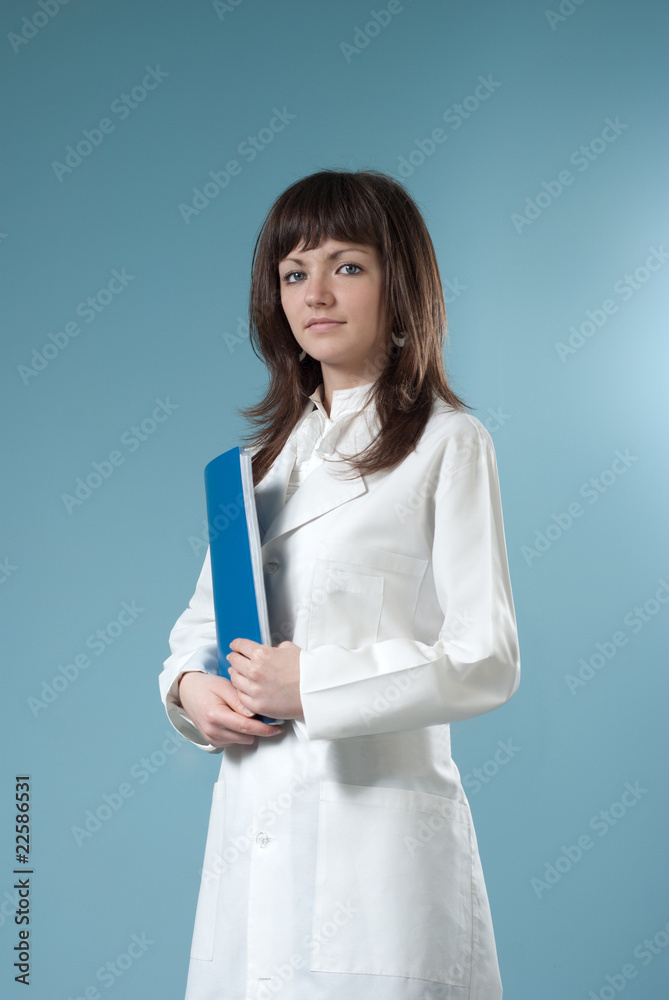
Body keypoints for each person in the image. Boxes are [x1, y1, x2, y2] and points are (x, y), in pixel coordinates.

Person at [159, 168, 521, 1000]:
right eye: (293, 273)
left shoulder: (448, 444)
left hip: (376, 865)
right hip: (250, 849)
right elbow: (198, 630)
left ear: (402, 282)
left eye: (346, 265)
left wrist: (311, 683)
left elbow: (485, 657)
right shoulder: (252, 473)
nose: (315, 292)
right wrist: (187, 691)